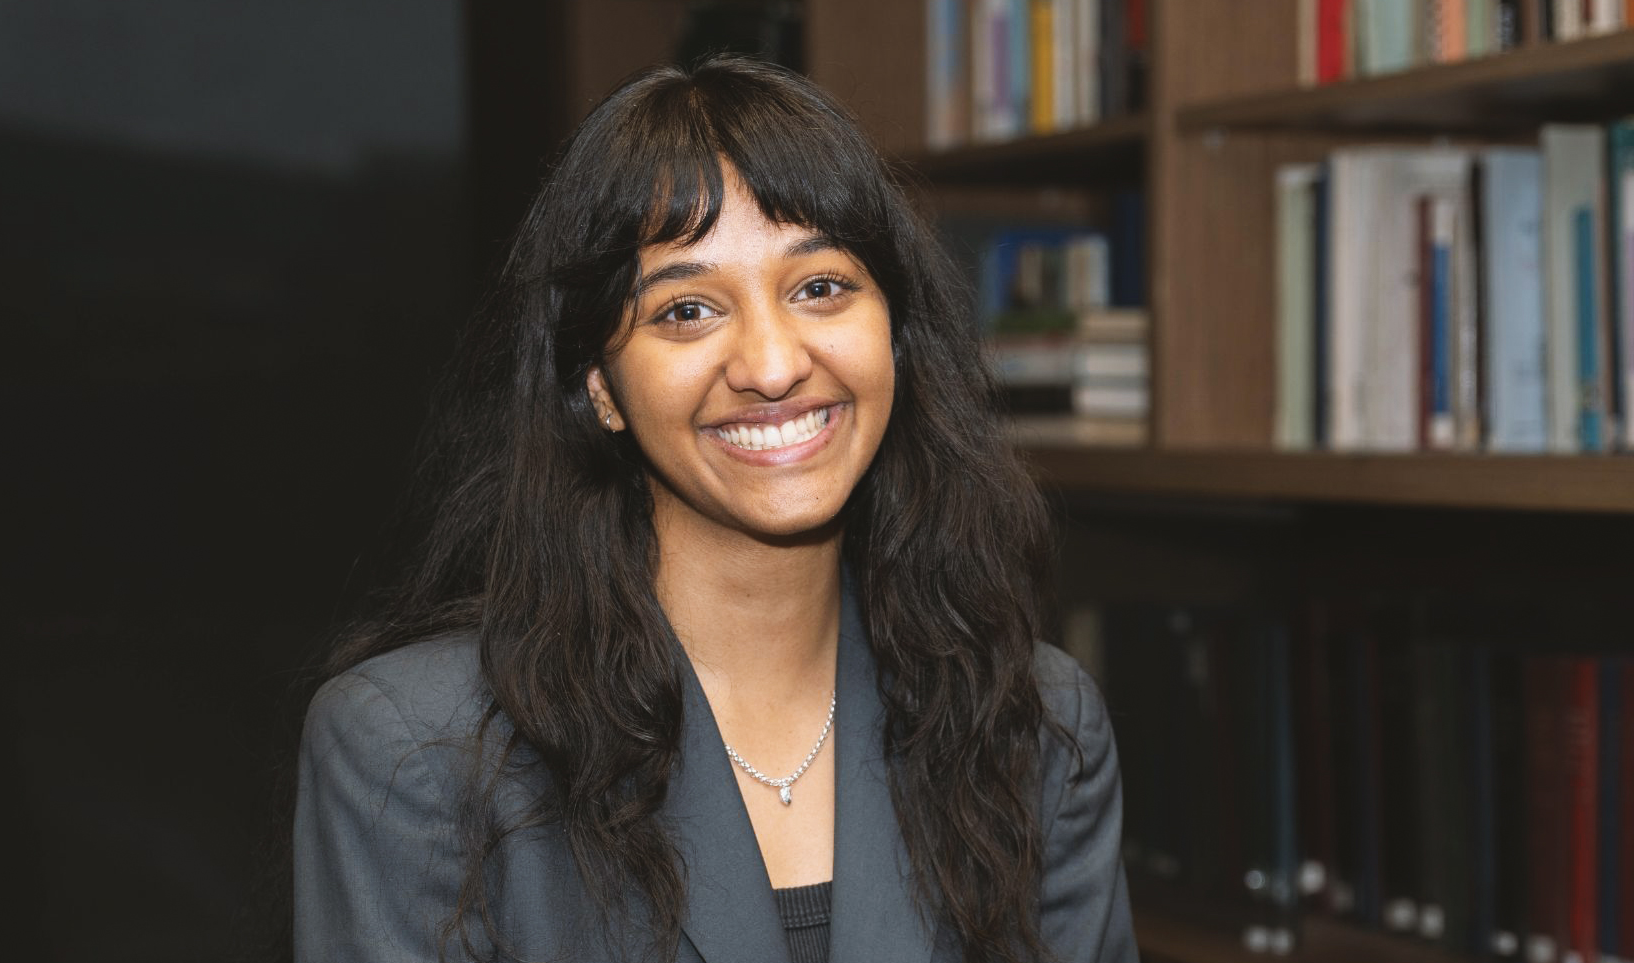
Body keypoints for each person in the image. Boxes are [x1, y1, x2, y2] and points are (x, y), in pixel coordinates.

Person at [293, 55, 1135, 963]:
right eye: (688, 310)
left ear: (895, 332)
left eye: (820, 287)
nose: (771, 365)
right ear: (599, 386)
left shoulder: (1033, 723)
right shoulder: (420, 753)